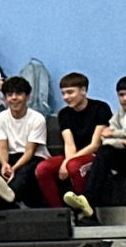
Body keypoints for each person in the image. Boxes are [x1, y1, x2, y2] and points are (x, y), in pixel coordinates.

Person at [37, 73, 113, 214]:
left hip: (94, 156)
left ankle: (86, 212)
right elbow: (69, 143)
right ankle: (60, 213)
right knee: (43, 169)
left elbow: (95, 144)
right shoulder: (64, 114)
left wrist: (68, 162)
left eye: (70, 92)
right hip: (73, 155)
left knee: (74, 166)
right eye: (63, 93)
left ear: (83, 90)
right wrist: (67, 161)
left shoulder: (100, 108)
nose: (66, 97)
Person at [0, 76, 51, 210]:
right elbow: (2, 147)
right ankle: (2, 197)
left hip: (35, 157)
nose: (14, 98)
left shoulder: (37, 119)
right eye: (9, 95)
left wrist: (13, 169)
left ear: (27, 97)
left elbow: (30, 151)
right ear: (5, 99)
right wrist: (5, 164)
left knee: (23, 173)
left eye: (19, 94)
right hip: (11, 156)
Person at [76, 76, 126, 220]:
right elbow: (105, 138)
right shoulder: (119, 115)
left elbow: (111, 133)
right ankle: (88, 202)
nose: (125, 98)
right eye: (121, 95)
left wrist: (117, 134)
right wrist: (124, 142)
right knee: (104, 152)